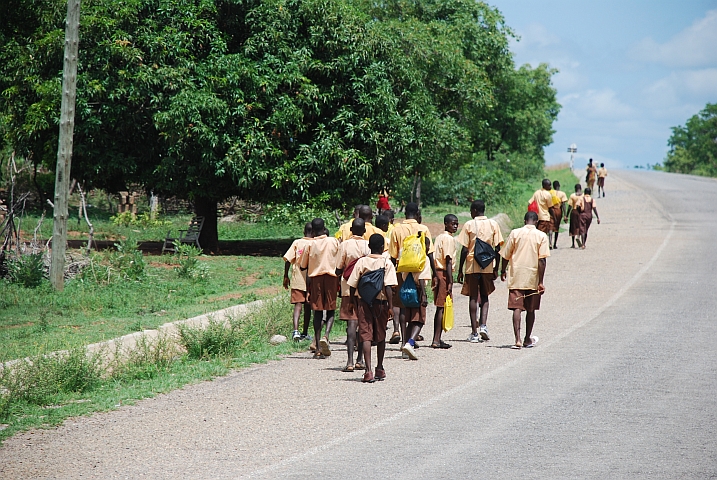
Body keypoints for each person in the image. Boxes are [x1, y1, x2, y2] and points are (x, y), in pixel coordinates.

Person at [348, 234, 397, 383]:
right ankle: (380, 368)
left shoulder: (362, 262)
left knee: (365, 336)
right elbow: (388, 287)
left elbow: (352, 284)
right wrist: (390, 306)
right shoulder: (386, 263)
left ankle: (368, 371)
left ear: (369, 246)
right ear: (383, 248)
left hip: (364, 303)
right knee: (381, 336)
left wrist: (352, 302)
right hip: (381, 304)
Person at [499, 211, 550, 349]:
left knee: (517, 307)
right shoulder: (541, 236)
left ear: (524, 220)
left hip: (517, 275)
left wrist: (502, 270)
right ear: (537, 222)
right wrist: (540, 282)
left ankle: (517, 339)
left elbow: (505, 255)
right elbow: (542, 261)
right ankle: (528, 338)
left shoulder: (515, 233)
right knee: (531, 309)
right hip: (533, 278)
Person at [388, 202, 433, 359]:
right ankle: (410, 341)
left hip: (402, 272)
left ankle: (403, 341)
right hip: (420, 271)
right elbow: (430, 252)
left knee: (402, 307)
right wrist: (432, 273)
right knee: (419, 311)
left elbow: (393, 256)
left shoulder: (397, 229)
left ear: (405, 213)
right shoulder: (423, 229)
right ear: (418, 213)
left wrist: (392, 276)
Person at [457, 200, 504, 342]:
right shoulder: (493, 224)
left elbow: (465, 249)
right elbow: (497, 249)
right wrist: (496, 268)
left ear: (475, 211)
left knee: (473, 297)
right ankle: (483, 326)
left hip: (472, 266)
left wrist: (460, 270)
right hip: (487, 266)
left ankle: (474, 333)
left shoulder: (469, 225)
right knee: (485, 296)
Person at [299, 218, 341, 358]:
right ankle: (326, 335)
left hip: (316, 279)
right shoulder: (333, 241)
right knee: (330, 310)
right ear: (324, 228)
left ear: (314, 230)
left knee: (317, 312)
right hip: (331, 277)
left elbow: (302, 265)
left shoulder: (310, 244)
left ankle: (317, 347)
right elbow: (340, 259)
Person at [335, 219, 370, 371]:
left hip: (347, 287)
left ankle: (349, 362)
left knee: (351, 324)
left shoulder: (344, 245)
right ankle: (360, 360)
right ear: (364, 231)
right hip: (364, 290)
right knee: (362, 323)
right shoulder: (368, 245)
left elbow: (338, 268)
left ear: (351, 229)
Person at [282, 222, 314, 341]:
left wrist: (285, 275)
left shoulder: (297, 243)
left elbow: (288, 260)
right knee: (308, 307)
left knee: (298, 305)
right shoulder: (315, 244)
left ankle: (295, 331)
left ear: (303, 231)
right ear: (314, 232)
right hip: (312, 280)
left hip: (298, 279)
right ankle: (305, 333)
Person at [430, 214, 458, 349]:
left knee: (440, 306)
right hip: (443, 274)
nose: (455, 226)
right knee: (441, 306)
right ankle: (436, 339)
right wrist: (450, 282)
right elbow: (448, 260)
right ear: (446, 224)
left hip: (438, 273)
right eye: (453, 223)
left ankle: (437, 338)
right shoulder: (448, 239)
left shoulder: (440, 237)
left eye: (457, 224)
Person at [549, 181, 568, 249]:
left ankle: (550, 243)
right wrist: (565, 215)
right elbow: (563, 205)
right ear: (559, 185)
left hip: (551, 210)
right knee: (556, 227)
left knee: (550, 227)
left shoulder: (550, 193)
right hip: (558, 211)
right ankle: (554, 244)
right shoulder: (562, 193)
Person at [565, 184, 584, 248]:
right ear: (580, 188)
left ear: (575, 188)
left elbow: (570, 206)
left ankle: (573, 243)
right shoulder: (583, 195)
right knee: (580, 225)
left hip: (574, 211)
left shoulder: (572, 196)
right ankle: (579, 237)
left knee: (573, 226)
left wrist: (566, 215)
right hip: (581, 212)